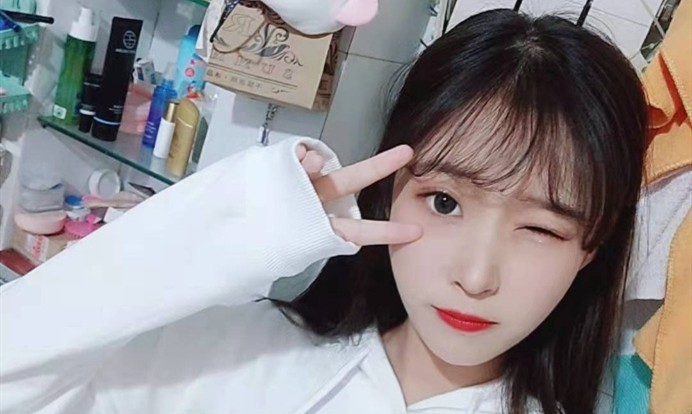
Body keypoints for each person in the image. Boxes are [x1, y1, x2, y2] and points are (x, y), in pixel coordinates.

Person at [0, 9, 647, 414]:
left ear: (592, 244)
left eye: (540, 228)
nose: (476, 277)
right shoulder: (235, 358)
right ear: (391, 188)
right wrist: (233, 227)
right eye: (445, 202)